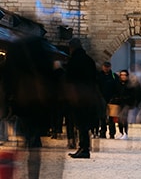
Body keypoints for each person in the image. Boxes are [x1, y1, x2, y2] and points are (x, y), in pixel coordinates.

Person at [2, 36, 57, 178]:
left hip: (22, 104)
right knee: (34, 141)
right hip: (38, 106)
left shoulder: (15, 51)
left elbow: (8, 80)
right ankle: (33, 174)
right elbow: (52, 82)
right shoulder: (43, 52)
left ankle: (21, 167)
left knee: (23, 136)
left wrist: (8, 103)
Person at [65, 37, 100, 158]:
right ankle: (84, 147)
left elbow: (69, 79)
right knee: (85, 123)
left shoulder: (74, 61)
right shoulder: (89, 60)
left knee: (81, 123)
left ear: (72, 47)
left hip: (78, 95)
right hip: (89, 95)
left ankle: (84, 148)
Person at [97, 62, 118, 138]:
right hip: (101, 98)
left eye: (107, 67)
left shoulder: (114, 76)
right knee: (102, 117)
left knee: (111, 117)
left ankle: (112, 133)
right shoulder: (99, 76)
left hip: (111, 99)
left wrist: (115, 97)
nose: (106, 68)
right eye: (105, 66)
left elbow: (117, 87)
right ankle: (103, 132)